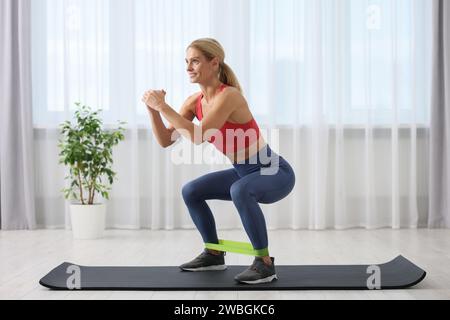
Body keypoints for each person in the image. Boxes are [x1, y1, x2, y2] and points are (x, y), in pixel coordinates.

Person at [142, 38, 295, 284]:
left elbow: (198, 136)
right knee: (191, 190)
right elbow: (165, 140)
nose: (188, 67)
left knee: (239, 190)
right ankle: (213, 253)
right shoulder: (194, 102)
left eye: (195, 61)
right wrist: (153, 110)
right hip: (244, 173)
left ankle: (264, 264)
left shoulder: (229, 96)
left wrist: (162, 105)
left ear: (214, 63)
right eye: (186, 62)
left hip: (274, 171)